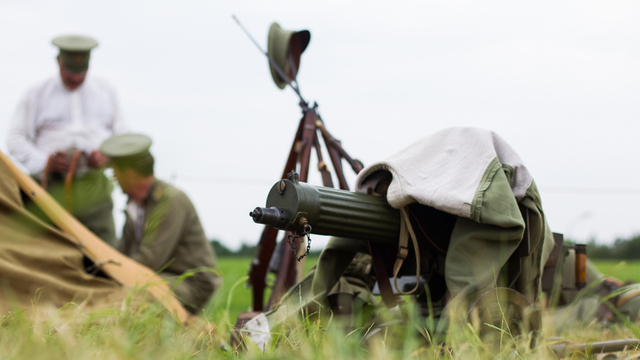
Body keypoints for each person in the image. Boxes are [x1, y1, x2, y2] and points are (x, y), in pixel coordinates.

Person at [7, 35, 127, 245]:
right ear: (59, 62)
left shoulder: (105, 91)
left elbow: (123, 135)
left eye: (81, 72)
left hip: (93, 186)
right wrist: (44, 162)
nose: (75, 78)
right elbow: (15, 138)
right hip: (49, 188)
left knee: (104, 251)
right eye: (70, 72)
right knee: (45, 249)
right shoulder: (37, 93)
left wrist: (106, 155)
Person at [100, 133, 220, 314]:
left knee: (133, 294)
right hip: (159, 276)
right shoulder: (134, 205)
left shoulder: (170, 201)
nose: (114, 179)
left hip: (191, 283)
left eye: (115, 173)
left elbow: (150, 259)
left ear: (130, 175)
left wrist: (112, 276)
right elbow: (123, 253)